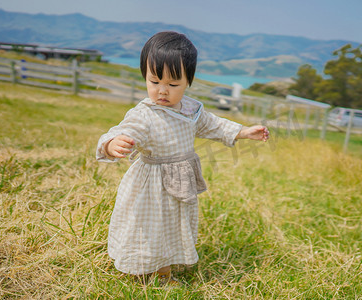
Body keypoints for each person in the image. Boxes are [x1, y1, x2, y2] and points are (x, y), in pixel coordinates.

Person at [96, 31, 269, 285]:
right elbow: (124, 130)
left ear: (188, 81)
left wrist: (243, 132)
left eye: (173, 84)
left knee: (172, 225)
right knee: (148, 226)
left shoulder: (191, 109)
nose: (162, 91)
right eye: (154, 82)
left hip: (180, 184)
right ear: (145, 75)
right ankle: (140, 269)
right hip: (151, 186)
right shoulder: (145, 114)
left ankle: (163, 271)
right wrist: (112, 144)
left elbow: (214, 125)